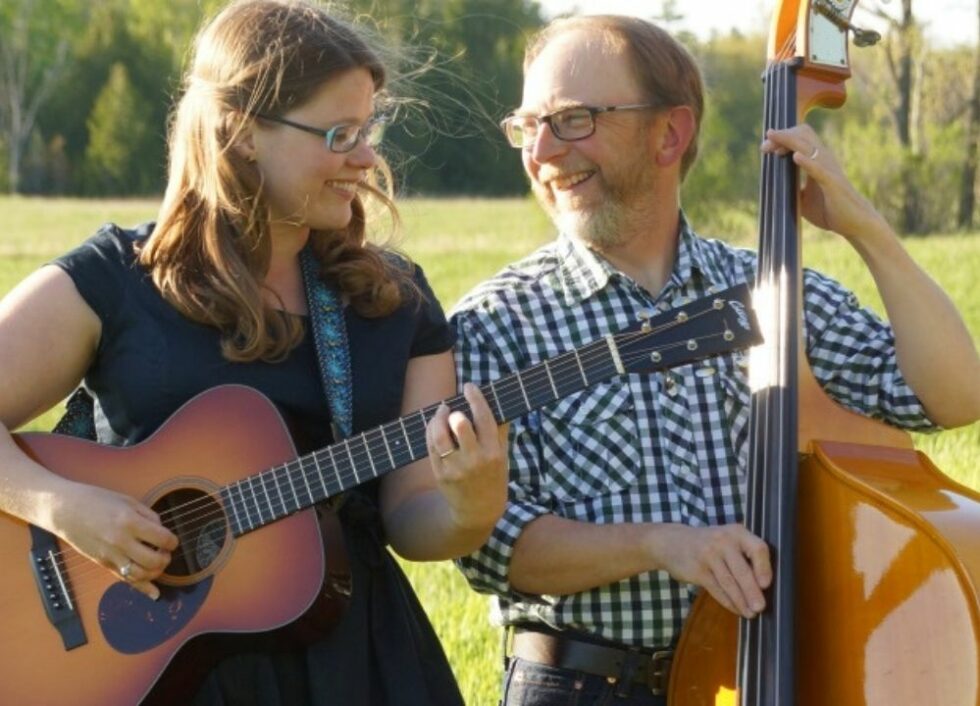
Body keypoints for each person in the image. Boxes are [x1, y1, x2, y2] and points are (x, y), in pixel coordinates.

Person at [450, 14, 980, 706]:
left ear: (669, 133)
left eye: (574, 119)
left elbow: (951, 395)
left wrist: (863, 225)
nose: (543, 150)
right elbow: (492, 546)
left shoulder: (778, 294)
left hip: (777, 675)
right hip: (582, 686)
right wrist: (663, 544)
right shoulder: (496, 321)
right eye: (529, 125)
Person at [0, 1, 508, 704]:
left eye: (369, 129)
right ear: (241, 133)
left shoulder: (395, 302)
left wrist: (472, 504)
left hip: (349, 655)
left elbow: (413, 520)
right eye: (339, 134)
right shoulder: (117, 278)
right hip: (149, 658)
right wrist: (62, 506)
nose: (366, 157)